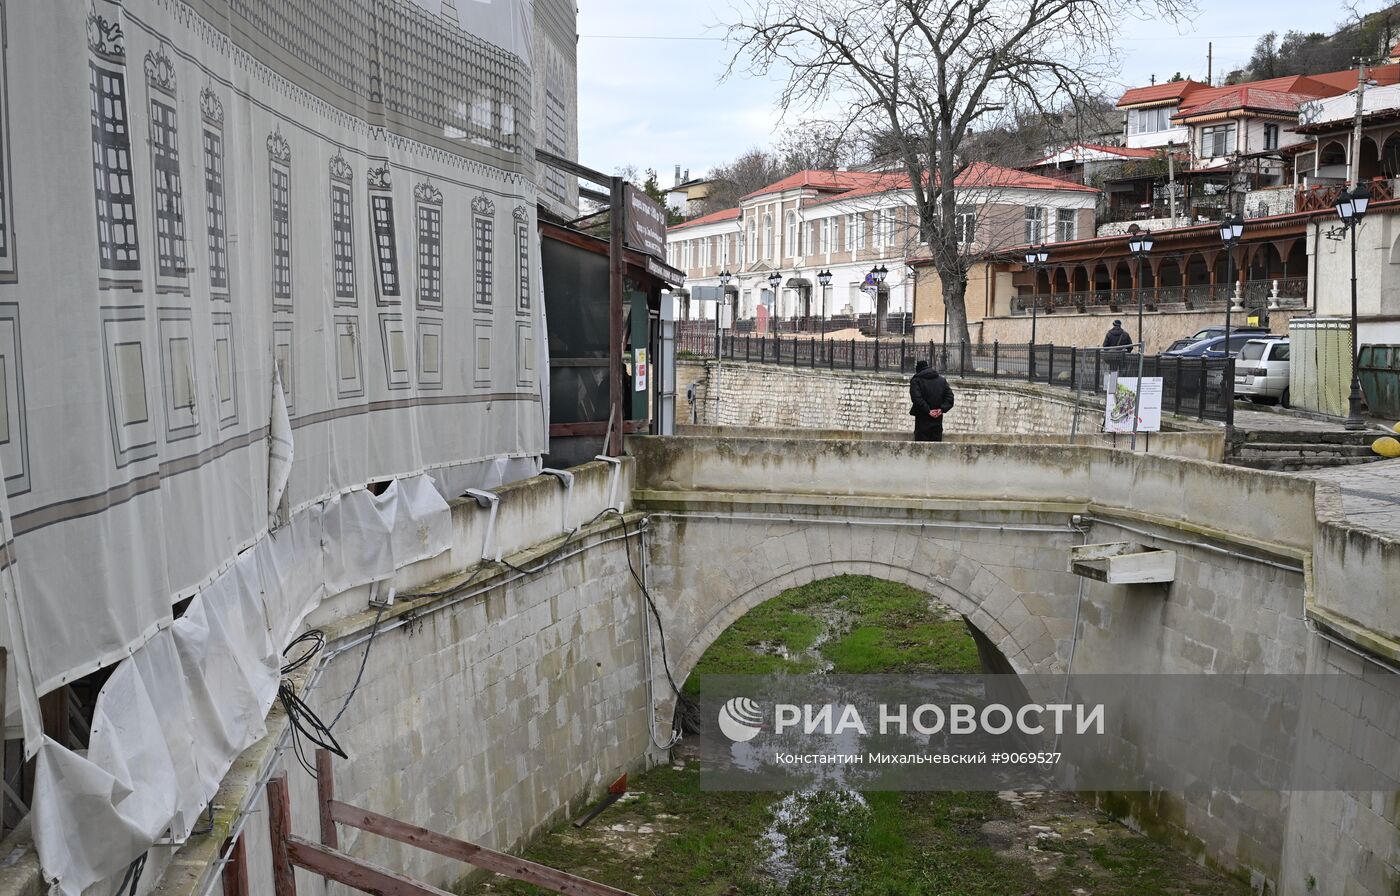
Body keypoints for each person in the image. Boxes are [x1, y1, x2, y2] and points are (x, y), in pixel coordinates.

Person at [909, 359, 955, 442]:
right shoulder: (941, 380)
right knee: (936, 448)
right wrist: (941, 410)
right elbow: (950, 398)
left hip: (922, 419)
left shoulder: (916, 381)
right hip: (937, 419)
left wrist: (928, 410)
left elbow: (916, 399)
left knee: (921, 448)